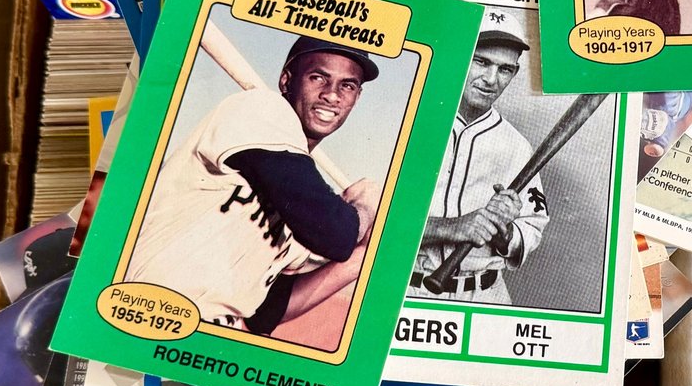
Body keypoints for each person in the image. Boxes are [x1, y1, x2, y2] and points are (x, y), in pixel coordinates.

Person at [125, 37, 383, 337]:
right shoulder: (261, 109)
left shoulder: (299, 201)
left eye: (347, 86)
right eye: (318, 78)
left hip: (210, 336)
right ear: (286, 81)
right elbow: (335, 234)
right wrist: (365, 206)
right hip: (145, 312)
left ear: (356, 98)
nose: (332, 95)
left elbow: (265, 312)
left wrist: (363, 254)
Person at [411, 22, 549, 303]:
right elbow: (369, 220)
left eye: (504, 69)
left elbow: (532, 227)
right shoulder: (411, 125)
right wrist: (450, 227)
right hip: (408, 288)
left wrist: (503, 232)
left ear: (514, 73)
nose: (491, 79)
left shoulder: (517, 146)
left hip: (485, 294)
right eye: (481, 62)